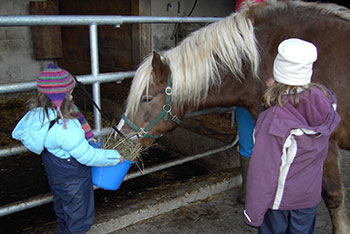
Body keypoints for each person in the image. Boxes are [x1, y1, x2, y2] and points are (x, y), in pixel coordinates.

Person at [243, 38, 341, 233]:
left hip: (279, 202)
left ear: (278, 74)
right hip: (308, 198)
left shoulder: (273, 119)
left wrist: (253, 212)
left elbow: (264, 172)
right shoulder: (326, 104)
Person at [12, 63, 123, 233]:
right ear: (61, 99)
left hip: (56, 179)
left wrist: (86, 140)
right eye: (69, 94)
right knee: (79, 220)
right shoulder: (67, 128)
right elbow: (88, 156)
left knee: (63, 214)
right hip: (75, 183)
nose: (72, 98)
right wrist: (114, 157)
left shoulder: (37, 117)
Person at [234, 0, 265, 204]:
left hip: (269, 98)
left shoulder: (273, 34)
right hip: (246, 98)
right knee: (247, 143)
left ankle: (265, 192)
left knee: (270, 143)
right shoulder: (236, 40)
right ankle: (248, 190)